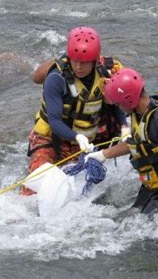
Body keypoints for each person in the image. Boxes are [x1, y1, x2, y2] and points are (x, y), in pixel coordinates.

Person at [23, 26, 129, 196]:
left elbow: (115, 105)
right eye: (75, 61)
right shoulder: (56, 79)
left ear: (94, 61)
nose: (79, 67)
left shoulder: (106, 73)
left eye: (85, 62)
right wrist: (77, 136)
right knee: (35, 186)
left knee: (77, 189)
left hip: (83, 143)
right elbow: (55, 121)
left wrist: (124, 126)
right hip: (50, 137)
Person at [86, 68, 158, 219]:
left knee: (138, 223)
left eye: (119, 103)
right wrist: (103, 154)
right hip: (157, 183)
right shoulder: (139, 114)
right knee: (126, 218)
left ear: (129, 99)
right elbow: (136, 143)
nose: (118, 107)